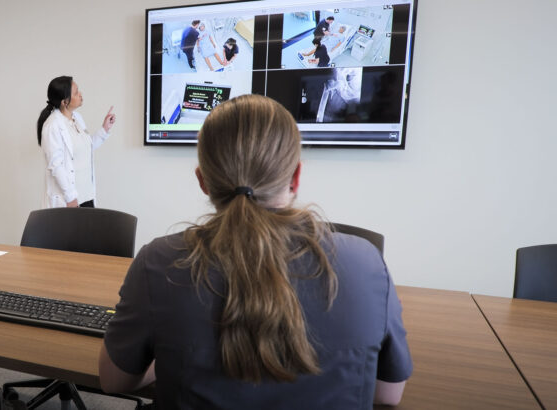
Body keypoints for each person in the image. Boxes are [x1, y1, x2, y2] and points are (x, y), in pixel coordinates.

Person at [97, 95, 411, 408]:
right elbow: (388, 393)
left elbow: (114, 381)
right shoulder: (366, 262)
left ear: (203, 181)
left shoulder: (160, 262)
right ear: (296, 177)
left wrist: (164, 354)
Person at [36, 76, 116, 208]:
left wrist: (104, 129)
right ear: (64, 102)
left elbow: (86, 148)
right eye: (76, 92)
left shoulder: (77, 118)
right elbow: (56, 165)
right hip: (70, 201)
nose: (80, 94)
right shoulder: (52, 126)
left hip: (87, 196)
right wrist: (70, 197)